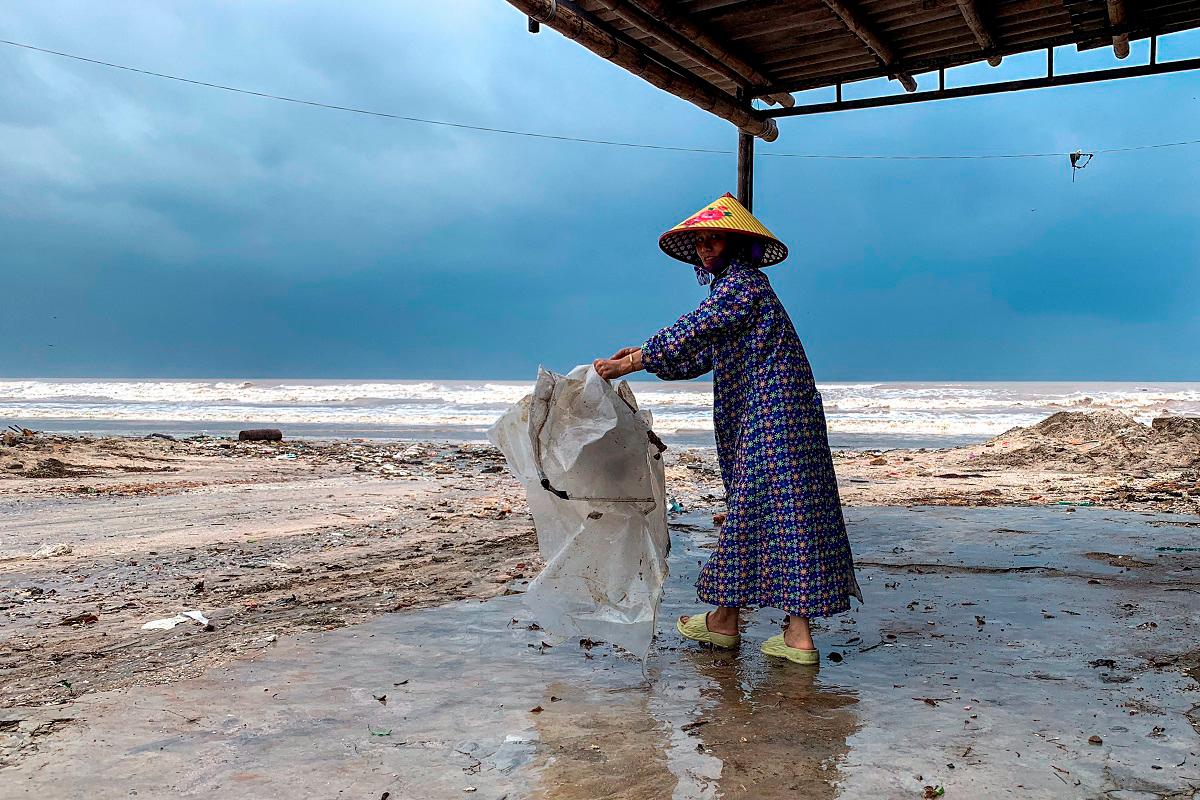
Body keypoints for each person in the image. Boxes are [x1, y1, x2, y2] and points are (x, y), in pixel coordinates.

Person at [593, 192, 862, 665]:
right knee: (786, 516)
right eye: (700, 242)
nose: (705, 248)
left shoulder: (743, 286)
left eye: (714, 239)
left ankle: (726, 621)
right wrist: (643, 354)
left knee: (754, 511)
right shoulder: (735, 294)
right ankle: (791, 634)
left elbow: (696, 328)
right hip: (779, 413)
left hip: (772, 413)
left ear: (736, 245)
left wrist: (636, 361)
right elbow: (697, 352)